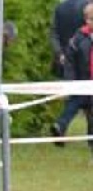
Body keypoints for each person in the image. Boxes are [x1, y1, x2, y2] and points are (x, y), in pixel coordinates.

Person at [50, 0, 88, 147]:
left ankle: (61, 127)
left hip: (66, 61)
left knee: (75, 97)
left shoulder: (60, 8)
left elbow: (54, 33)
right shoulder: (88, 7)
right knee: (85, 98)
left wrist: (60, 53)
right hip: (84, 60)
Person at [63, 1, 93, 157]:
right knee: (75, 105)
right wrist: (71, 81)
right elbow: (70, 59)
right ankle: (60, 127)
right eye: (90, 19)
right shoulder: (79, 37)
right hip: (83, 81)